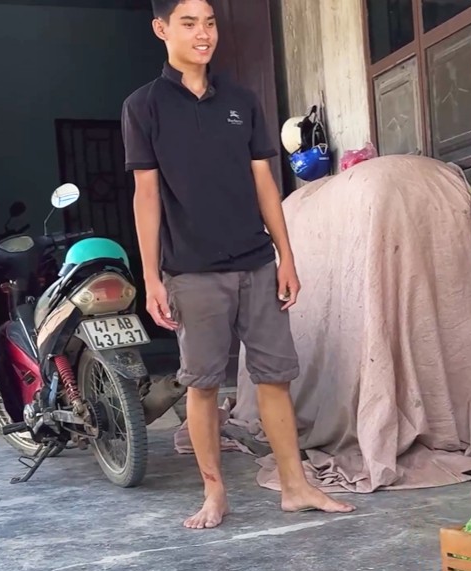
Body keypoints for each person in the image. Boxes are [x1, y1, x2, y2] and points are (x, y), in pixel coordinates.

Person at [122, 0, 354, 529]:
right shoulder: (144, 106)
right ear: (162, 29)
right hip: (193, 272)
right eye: (189, 23)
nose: (203, 34)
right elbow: (146, 193)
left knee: (275, 377)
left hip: (256, 263)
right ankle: (213, 493)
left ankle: (295, 487)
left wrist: (286, 255)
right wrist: (152, 275)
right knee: (203, 384)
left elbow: (265, 182)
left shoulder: (242, 101)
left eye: (209, 23)